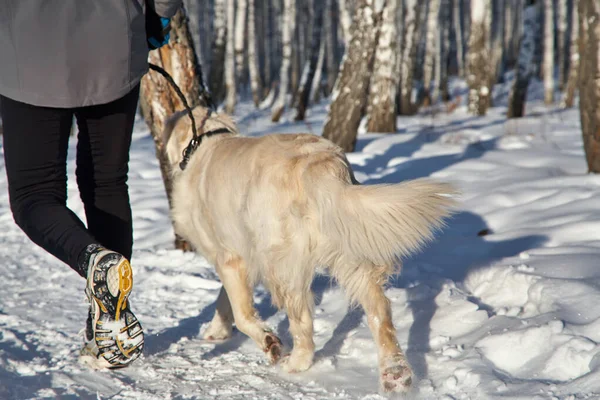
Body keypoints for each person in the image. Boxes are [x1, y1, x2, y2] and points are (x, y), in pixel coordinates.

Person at [0, 0, 182, 369]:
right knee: (107, 182)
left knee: (35, 196)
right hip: (114, 42)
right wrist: (161, 12)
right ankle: (110, 328)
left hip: (29, 48)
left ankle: (95, 260)